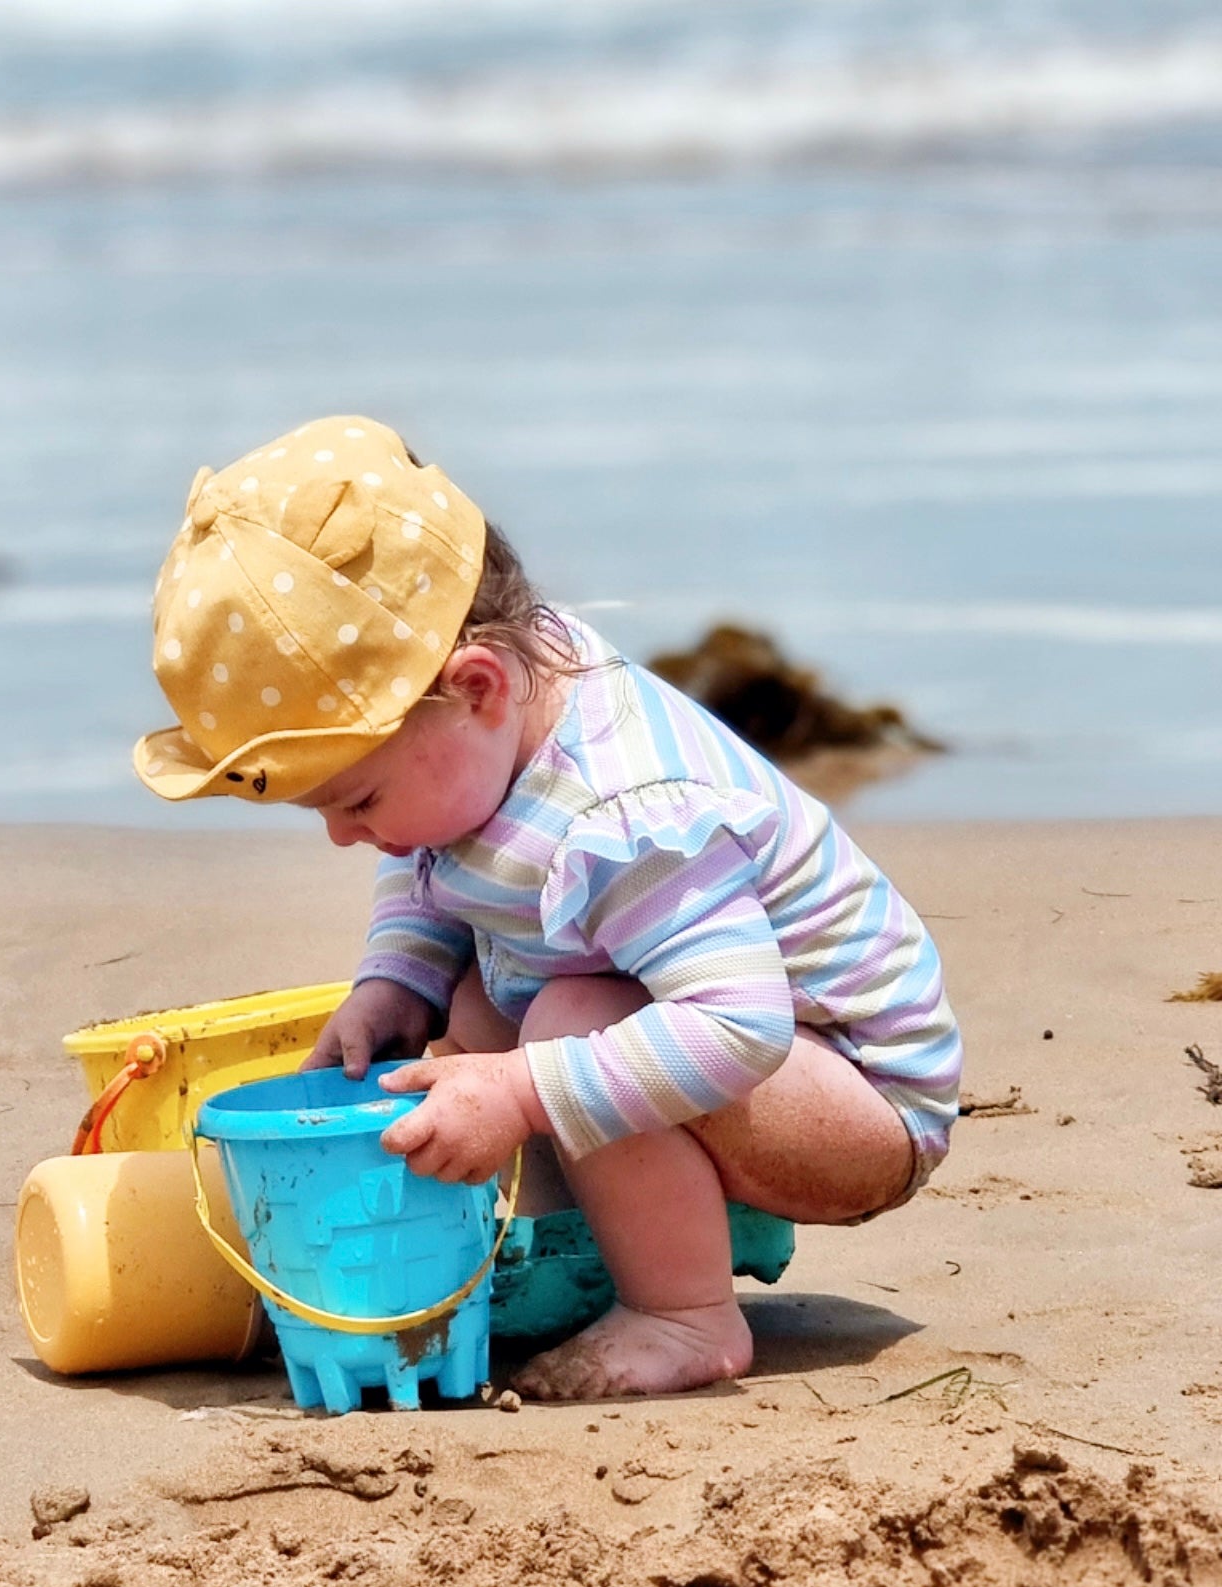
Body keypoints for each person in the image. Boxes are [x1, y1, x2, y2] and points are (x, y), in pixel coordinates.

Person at [135, 415, 962, 1400]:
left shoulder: (629, 816)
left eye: (356, 799)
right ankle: (585, 1250)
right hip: (733, 1062)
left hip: (857, 1102)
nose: (346, 837)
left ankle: (685, 1313)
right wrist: (396, 979)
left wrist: (523, 1093)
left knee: (555, 1025)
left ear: (478, 686)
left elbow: (740, 1026)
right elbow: (433, 857)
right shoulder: (488, 728)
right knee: (473, 1020)